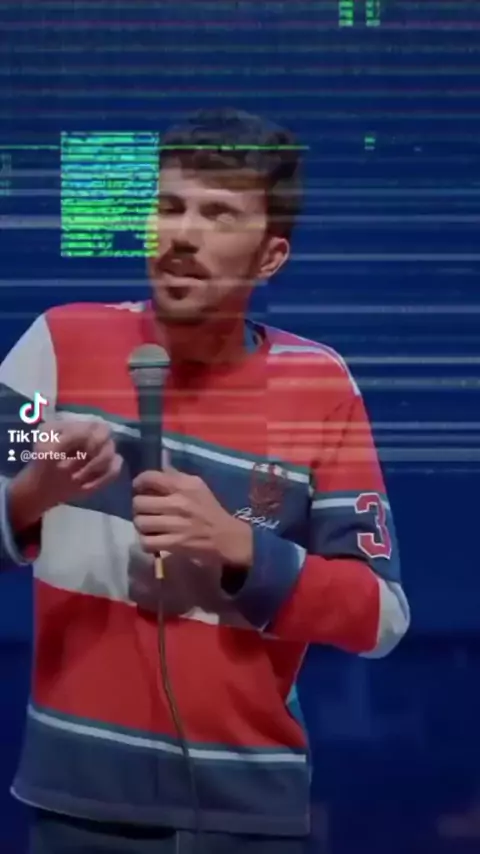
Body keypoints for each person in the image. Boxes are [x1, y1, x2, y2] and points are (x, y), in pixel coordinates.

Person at [0, 108, 410, 854]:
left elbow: (381, 616)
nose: (182, 235)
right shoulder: (59, 346)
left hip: (250, 816)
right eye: (169, 206)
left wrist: (239, 548)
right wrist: (34, 494)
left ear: (270, 256)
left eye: (218, 214)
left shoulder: (318, 387)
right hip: (77, 804)